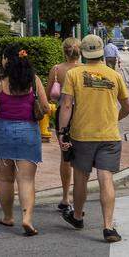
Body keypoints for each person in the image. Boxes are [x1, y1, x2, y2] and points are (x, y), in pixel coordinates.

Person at [59, 33, 129, 243]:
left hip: (82, 135)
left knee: (80, 177)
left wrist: (62, 131)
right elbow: (127, 107)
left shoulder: (73, 74)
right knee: (105, 178)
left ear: (83, 52)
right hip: (109, 135)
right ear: (101, 52)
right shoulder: (114, 75)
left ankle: (77, 216)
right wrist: (113, 119)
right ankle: (108, 227)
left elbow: (66, 105)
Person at [0, 47, 48, 236]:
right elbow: (45, 106)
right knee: (26, 180)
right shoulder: (33, 79)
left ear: (6, 60)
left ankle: (8, 216)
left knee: (5, 179)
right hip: (28, 131)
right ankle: (27, 218)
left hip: (3, 131)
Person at [47, 38, 83, 213]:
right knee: (82, 156)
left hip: (63, 113)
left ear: (64, 51)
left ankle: (65, 197)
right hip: (83, 113)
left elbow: (49, 94)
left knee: (65, 156)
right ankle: (79, 196)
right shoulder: (84, 69)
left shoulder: (56, 70)